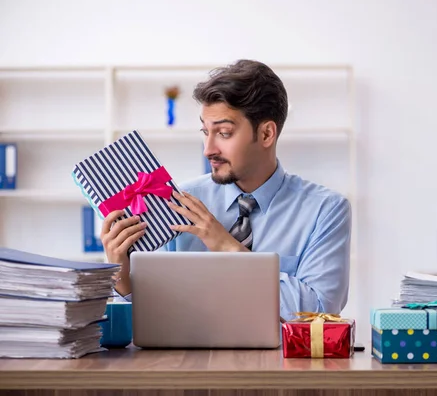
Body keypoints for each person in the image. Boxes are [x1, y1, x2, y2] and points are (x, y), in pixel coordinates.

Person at [101, 59, 352, 320]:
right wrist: (120, 276)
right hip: (185, 359)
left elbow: (321, 313)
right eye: (205, 131)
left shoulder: (326, 210)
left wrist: (228, 248)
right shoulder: (177, 202)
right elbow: (149, 315)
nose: (208, 149)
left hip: (282, 361)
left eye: (224, 132)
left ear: (266, 134)